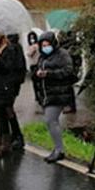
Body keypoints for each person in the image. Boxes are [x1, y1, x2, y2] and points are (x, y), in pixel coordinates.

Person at [0, 31, 27, 160]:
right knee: (2, 115)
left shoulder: (11, 49)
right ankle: (5, 144)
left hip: (5, 87)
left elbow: (8, 68)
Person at [33, 32, 75, 163]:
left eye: (48, 45)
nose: (46, 47)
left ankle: (59, 150)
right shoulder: (42, 56)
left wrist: (48, 74)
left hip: (59, 92)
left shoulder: (62, 54)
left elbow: (68, 70)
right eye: (43, 45)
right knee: (51, 121)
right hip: (46, 93)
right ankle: (57, 149)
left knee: (51, 120)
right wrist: (38, 73)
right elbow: (38, 69)